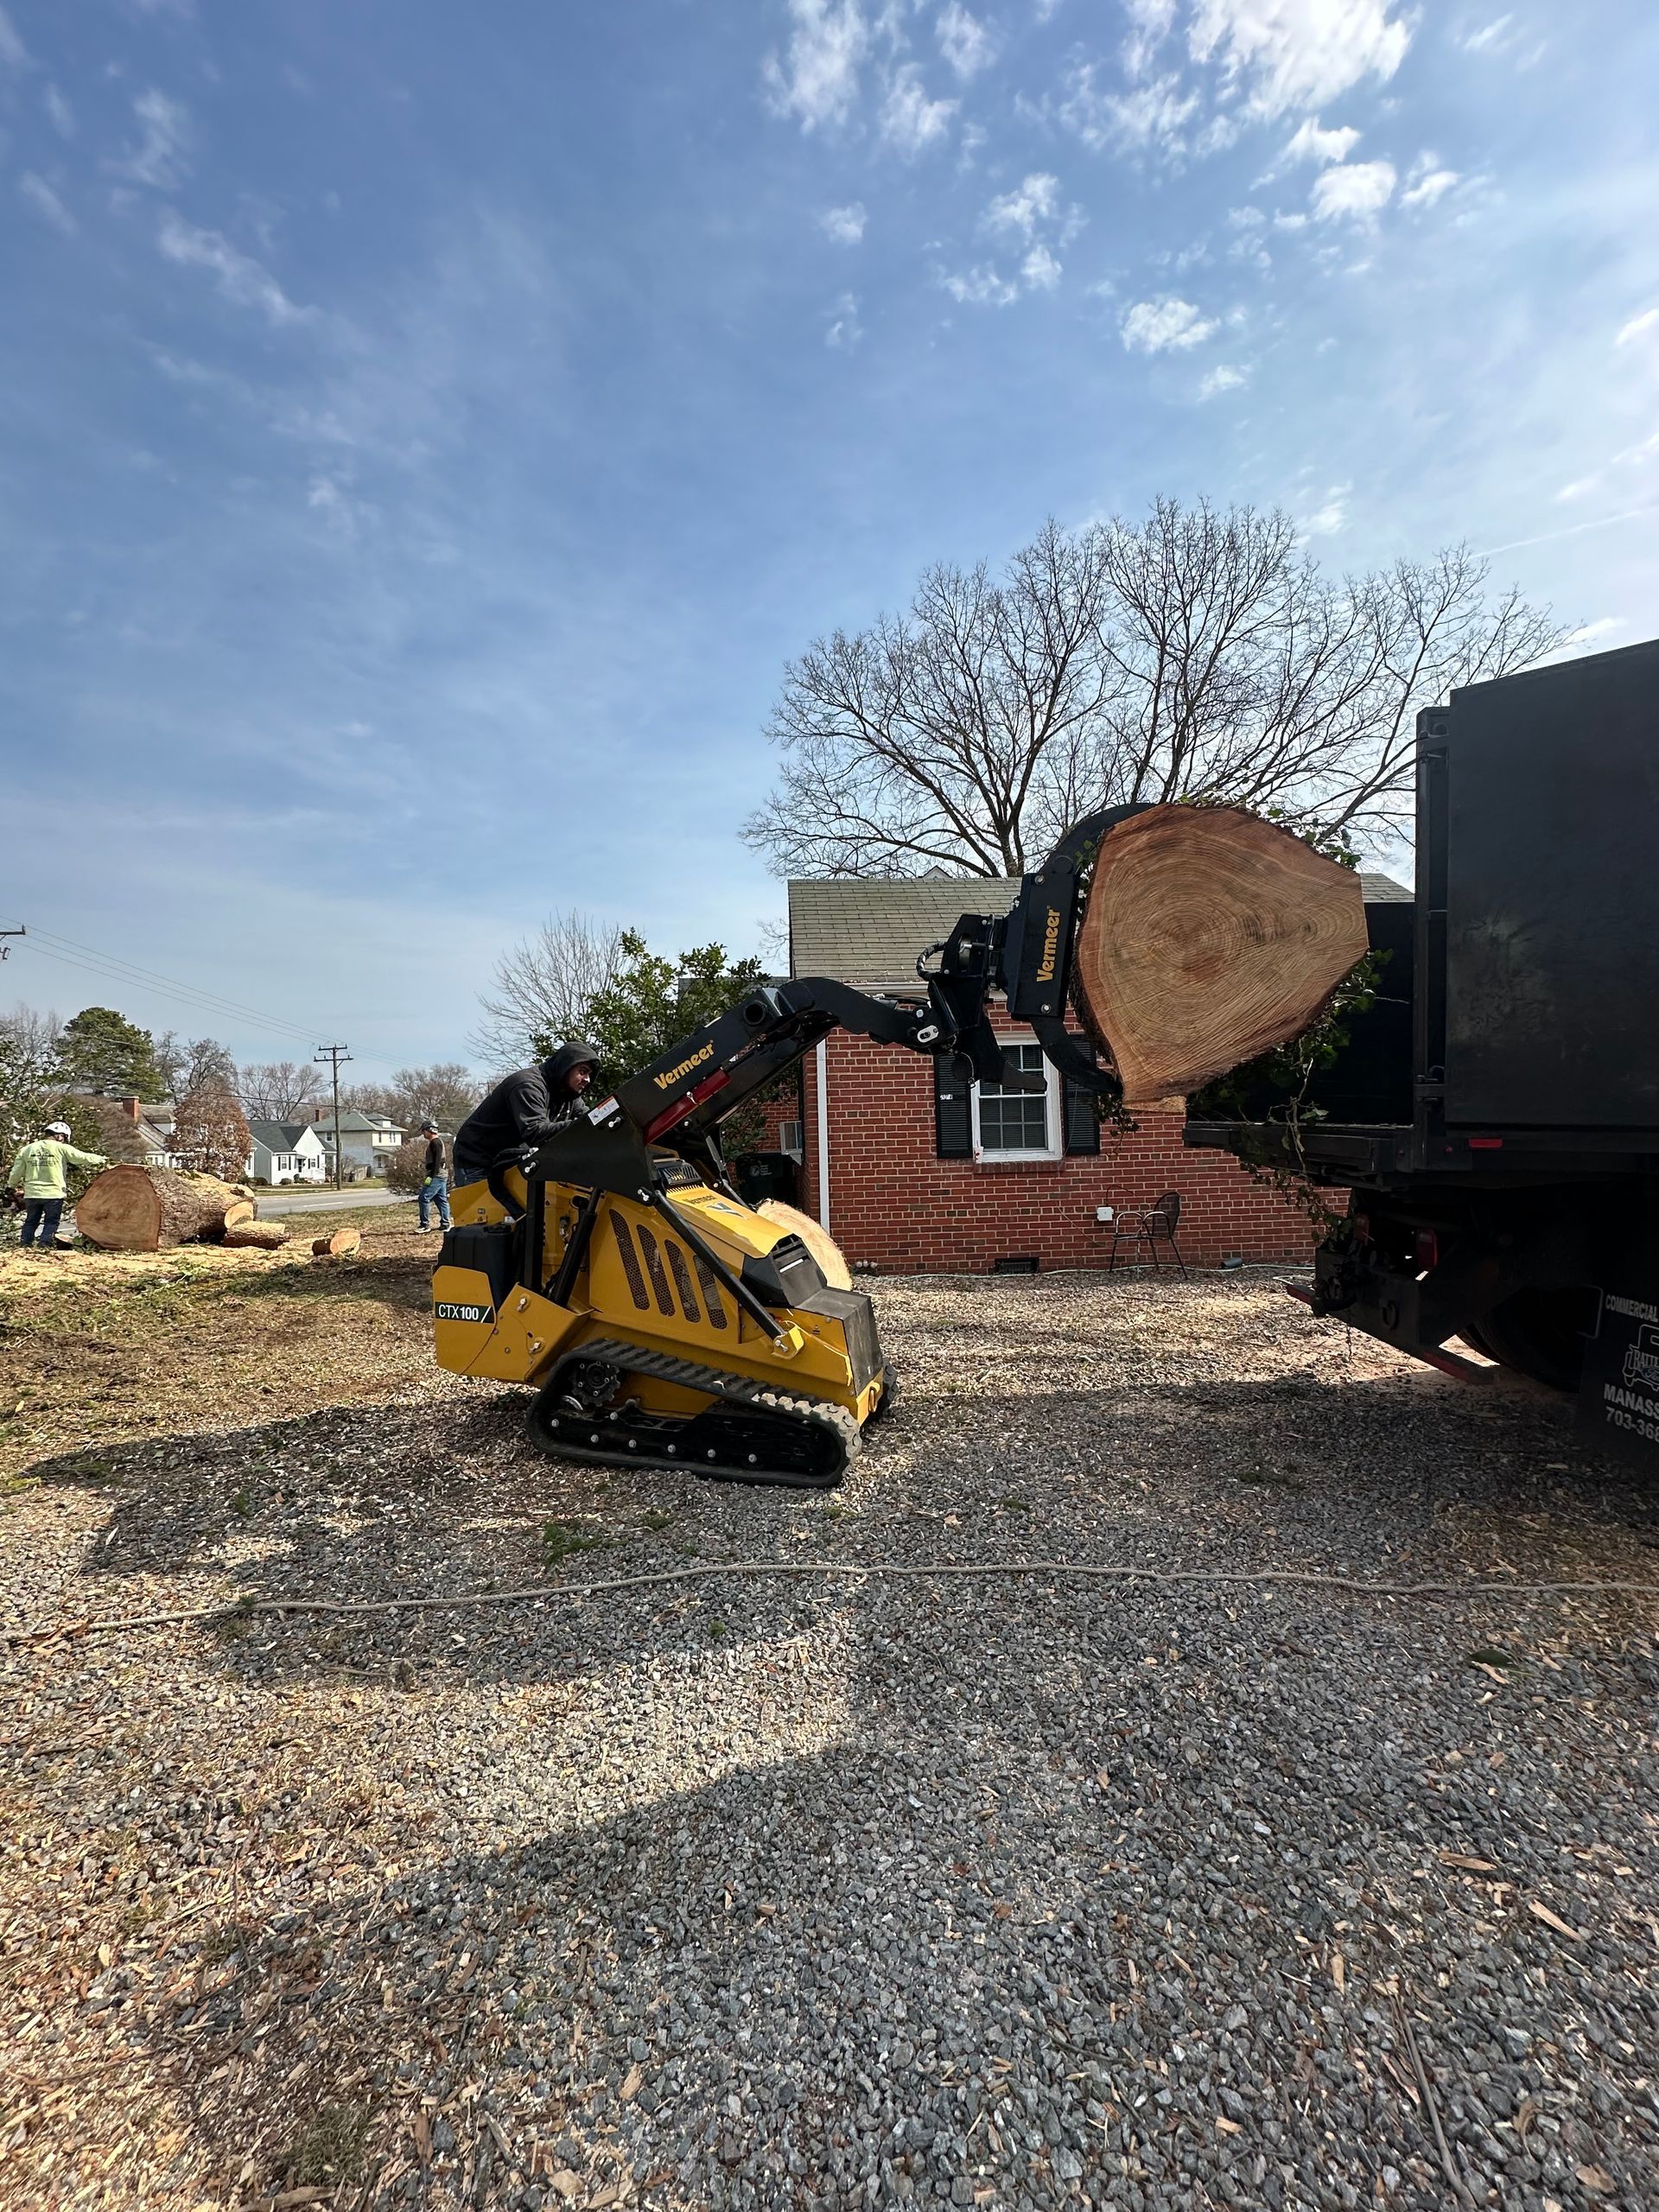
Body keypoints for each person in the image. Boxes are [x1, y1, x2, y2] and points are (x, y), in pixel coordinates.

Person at [452, 1041, 600, 1185]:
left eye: (590, 1074)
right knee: (492, 1209)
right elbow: (536, 1132)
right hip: (479, 1161)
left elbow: (588, 1119)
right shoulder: (527, 1085)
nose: (587, 1079)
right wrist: (582, 1124)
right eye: (583, 1071)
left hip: (510, 1162)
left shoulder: (569, 1095)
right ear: (566, 1067)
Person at [8, 1120, 106, 1253]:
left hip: (32, 1193)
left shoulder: (27, 1149)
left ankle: (25, 1245)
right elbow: (82, 1157)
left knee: (31, 1221)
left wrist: (11, 1186)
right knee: (51, 1222)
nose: (63, 1140)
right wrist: (103, 1160)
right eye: (64, 1137)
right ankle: (44, 1245)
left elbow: (17, 1171)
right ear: (59, 1135)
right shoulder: (61, 1148)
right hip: (54, 1193)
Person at [416, 1121, 451, 1233]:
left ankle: (424, 1225)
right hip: (440, 1175)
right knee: (441, 1199)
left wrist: (431, 1176)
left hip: (437, 1176)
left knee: (424, 1198)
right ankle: (445, 1224)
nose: (423, 1134)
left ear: (430, 1130)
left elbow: (437, 1162)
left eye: (424, 1131)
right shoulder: (436, 1142)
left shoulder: (435, 1143)